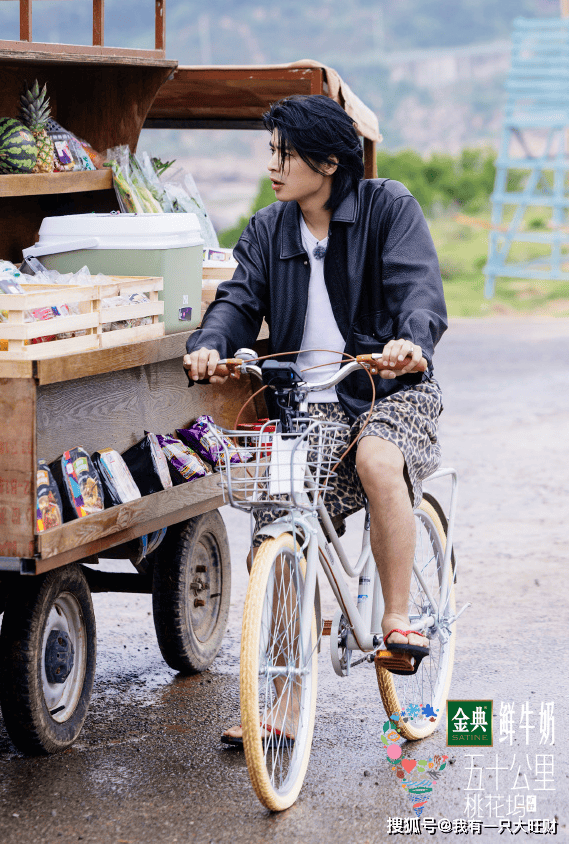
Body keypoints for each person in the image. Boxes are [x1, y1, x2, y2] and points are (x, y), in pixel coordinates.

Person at [184, 94, 447, 742]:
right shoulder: (269, 229)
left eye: (285, 152)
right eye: (271, 152)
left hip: (391, 389)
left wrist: (409, 343)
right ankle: (284, 704)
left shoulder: (389, 209)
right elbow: (238, 301)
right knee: (278, 528)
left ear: (328, 161)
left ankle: (397, 621)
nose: (273, 166)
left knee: (379, 459)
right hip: (307, 406)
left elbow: (419, 289)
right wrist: (212, 345)